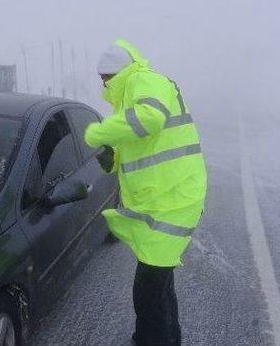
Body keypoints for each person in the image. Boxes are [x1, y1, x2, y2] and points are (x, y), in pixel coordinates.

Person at [84, 39, 207, 346]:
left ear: (118, 72)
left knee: (148, 289)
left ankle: (150, 340)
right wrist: (111, 156)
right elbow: (140, 144)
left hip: (174, 200)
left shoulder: (145, 79)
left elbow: (150, 119)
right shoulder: (129, 100)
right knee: (160, 284)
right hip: (163, 200)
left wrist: (100, 133)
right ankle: (167, 338)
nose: (104, 83)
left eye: (106, 77)